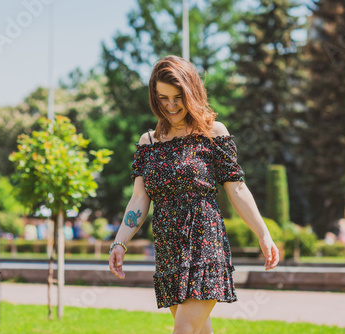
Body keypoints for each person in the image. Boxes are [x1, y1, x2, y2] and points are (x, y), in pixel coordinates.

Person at [108, 55, 280, 334]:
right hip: (168, 249)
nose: (171, 105)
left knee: (184, 330)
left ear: (192, 93)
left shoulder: (213, 133)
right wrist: (119, 242)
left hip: (204, 243)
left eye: (178, 97)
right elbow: (139, 198)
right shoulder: (148, 142)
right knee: (199, 331)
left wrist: (263, 233)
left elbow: (237, 188)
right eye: (163, 98)